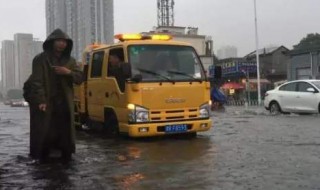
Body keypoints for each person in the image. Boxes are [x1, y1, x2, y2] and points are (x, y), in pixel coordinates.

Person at [23, 28, 83, 163]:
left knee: (64, 131)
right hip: (47, 102)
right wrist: (41, 100)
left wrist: (67, 72)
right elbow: (36, 81)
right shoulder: (40, 59)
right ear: (52, 42)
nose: (62, 44)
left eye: (64, 41)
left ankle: (65, 155)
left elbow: (80, 78)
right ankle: (42, 156)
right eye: (59, 41)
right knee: (45, 131)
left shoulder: (71, 61)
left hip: (64, 102)